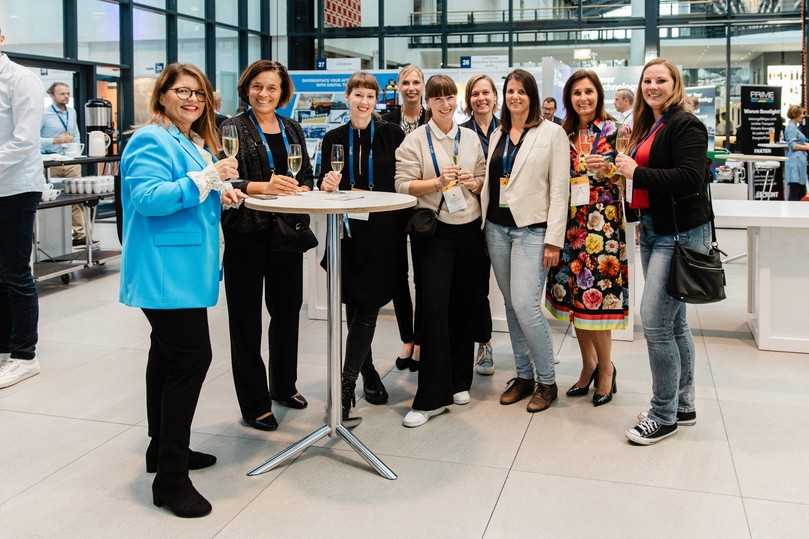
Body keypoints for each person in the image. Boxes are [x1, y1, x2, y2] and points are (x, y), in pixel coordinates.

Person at [119, 63, 246, 517]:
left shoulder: (189, 140)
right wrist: (207, 180)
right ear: (163, 96)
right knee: (192, 359)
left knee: (167, 357)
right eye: (182, 91)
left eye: (199, 93)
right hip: (164, 271)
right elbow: (148, 199)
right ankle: (171, 481)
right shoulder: (150, 138)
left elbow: (186, 191)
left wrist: (218, 191)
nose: (192, 99)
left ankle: (161, 450)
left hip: (182, 270)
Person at [220, 60, 325, 432]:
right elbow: (224, 179)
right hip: (245, 234)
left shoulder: (292, 128)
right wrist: (263, 186)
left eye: (272, 88)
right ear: (247, 88)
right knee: (246, 321)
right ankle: (254, 403)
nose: (265, 94)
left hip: (286, 234)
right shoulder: (229, 128)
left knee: (286, 314)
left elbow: (306, 177)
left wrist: (311, 187)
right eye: (258, 86)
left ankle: (284, 386)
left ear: (283, 93)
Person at [615, 58, 713, 445]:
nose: (653, 86)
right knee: (675, 324)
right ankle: (683, 404)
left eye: (661, 80)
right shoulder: (652, 123)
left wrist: (634, 173)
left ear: (676, 84)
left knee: (654, 320)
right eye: (647, 80)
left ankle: (663, 414)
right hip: (657, 229)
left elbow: (691, 177)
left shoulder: (685, 124)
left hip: (681, 234)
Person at [394, 74, 487, 427]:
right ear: (428, 103)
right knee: (432, 310)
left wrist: (471, 181)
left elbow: (481, 178)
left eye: (450, 98)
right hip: (433, 232)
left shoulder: (471, 138)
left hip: (469, 229)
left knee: (464, 304)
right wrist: (436, 183)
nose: (445, 104)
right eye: (438, 99)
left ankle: (459, 380)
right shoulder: (415, 141)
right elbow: (402, 184)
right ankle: (431, 396)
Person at [319, 72, 407, 425]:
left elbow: (401, 179)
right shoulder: (333, 139)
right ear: (348, 97)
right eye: (358, 94)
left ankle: (344, 390)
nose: (364, 101)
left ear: (376, 101)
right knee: (354, 308)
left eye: (370, 96)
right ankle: (368, 374)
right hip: (347, 233)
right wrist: (327, 184)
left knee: (368, 305)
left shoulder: (392, 135)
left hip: (383, 235)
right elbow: (323, 184)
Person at [483, 69, 569, 413]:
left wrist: (554, 240)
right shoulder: (498, 134)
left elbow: (560, 190)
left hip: (532, 230)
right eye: (510, 91)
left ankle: (547, 381)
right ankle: (523, 376)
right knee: (509, 305)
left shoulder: (552, 134)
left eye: (521, 91)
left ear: (532, 95)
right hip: (496, 228)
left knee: (526, 305)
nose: (515, 96)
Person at [545, 69, 628, 407]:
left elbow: (630, 177)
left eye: (588, 92)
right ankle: (588, 365)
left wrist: (609, 170)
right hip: (569, 227)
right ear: (569, 98)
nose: (583, 98)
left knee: (596, 299)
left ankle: (606, 370)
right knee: (576, 303)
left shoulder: (614, 131)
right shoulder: (560, 134)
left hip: (602, 229)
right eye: (576, 92)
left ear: (598, 95)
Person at [0, 26, 47, 390]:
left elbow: (24, 140)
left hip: (17, 188)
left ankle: (23, 355)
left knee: (16, 272)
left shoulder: (21, 79)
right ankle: (4, 346)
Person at [383, 64, 427, 373]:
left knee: (424, 276)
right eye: (406, 82)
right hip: (394, 209)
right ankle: (407, 338)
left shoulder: (433, 118)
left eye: (416, 82)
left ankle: (423, 341)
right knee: (397, 275)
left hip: (426, 206)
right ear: (398, 86)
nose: (411, 87)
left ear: (423, 86)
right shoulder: (385, 122)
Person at [460, 73, 497, 376]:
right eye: (475, 94)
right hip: (472, 219)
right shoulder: (460, 133)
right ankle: (483, 342)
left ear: (495, 97)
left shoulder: (511, 131)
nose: (481, 98)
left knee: (518, 293)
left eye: (486, 93)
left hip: (506, 217)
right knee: (476, 286)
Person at [40, 81, 85, 244]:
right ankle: (55, 239)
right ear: (51, 95)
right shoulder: (44, 115)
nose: (66, 96)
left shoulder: (72, 112)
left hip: (71, 160)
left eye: (68, 93)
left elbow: (76, 134)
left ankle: (80, 234)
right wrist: (55, 140)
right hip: (52, 163)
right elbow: (36, 140)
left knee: (77, 197)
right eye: (62, 94)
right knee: (55, 200)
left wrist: (77, 152)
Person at [784, 105, 808, 201]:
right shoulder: (791, 128)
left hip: (799, 163)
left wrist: (806, 144)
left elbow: (800, 141)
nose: (803, 116)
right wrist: (807, 147)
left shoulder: (794, 127)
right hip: (795, 164)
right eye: (802, 114)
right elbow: (793, 146)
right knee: (795, 193)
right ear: (796, 114)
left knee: (801, 192)